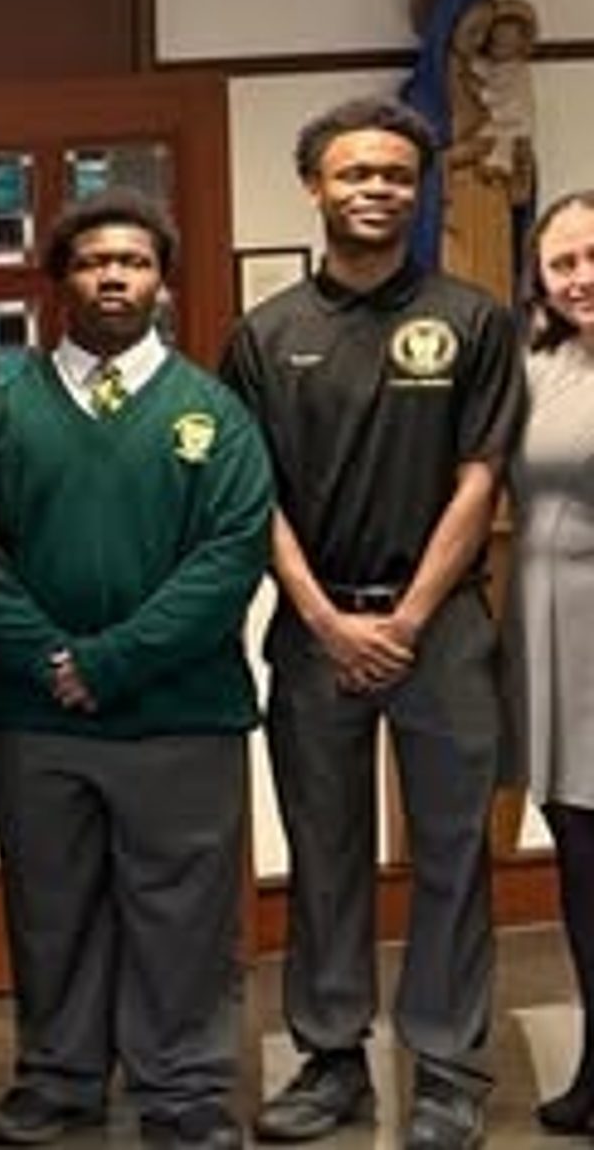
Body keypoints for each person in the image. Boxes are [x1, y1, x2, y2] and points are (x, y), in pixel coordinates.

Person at [220, 97, 524, 1150]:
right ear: (315, 185)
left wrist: (407, 617)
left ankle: (448, 1069)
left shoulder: (473, 320)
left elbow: (481, 479)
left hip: (442, 631)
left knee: (453, 852)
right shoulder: (265, 335)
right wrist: (321, 616)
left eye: (396, 174)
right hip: (315, 632)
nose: (376, 190)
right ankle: (332, 1059)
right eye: (355, 173)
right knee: (325, 851)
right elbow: (250, 495)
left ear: (420, 187)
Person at [0, 191, 272, 1150]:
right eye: (95, 261)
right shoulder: (5, 411)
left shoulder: (213, 414)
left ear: (161, 284)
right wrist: (48, 658)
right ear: (61, 280)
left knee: (185, 915)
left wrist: (106, 662)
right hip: (38, 718)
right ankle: (58, 1078)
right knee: (50, 910)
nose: (114, 278)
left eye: (134, 263)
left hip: (179, 714)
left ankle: (184, 1089)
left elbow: (230, 557)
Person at [501, 189, 594, 1133]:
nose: (581, 277)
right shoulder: (536, 365)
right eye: (563, 263)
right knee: (582, 861)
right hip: (552, 640)